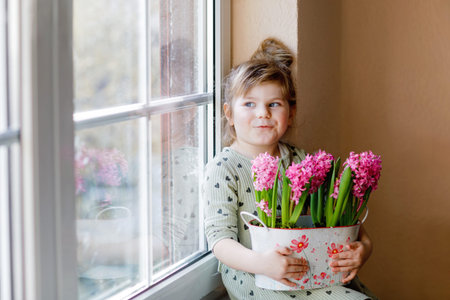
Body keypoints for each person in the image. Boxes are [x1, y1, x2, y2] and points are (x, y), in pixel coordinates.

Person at [204, 38, 378, 299]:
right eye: (249, 104)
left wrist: (362, 250)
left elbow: (350, 227)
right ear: (229, 113)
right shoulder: (225, 167)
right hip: (261, 280)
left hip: (314, 273)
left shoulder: (301, 161)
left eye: (274, 104)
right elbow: (220, 241)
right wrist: (263, 263)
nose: (263, 113)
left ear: (291, 112)